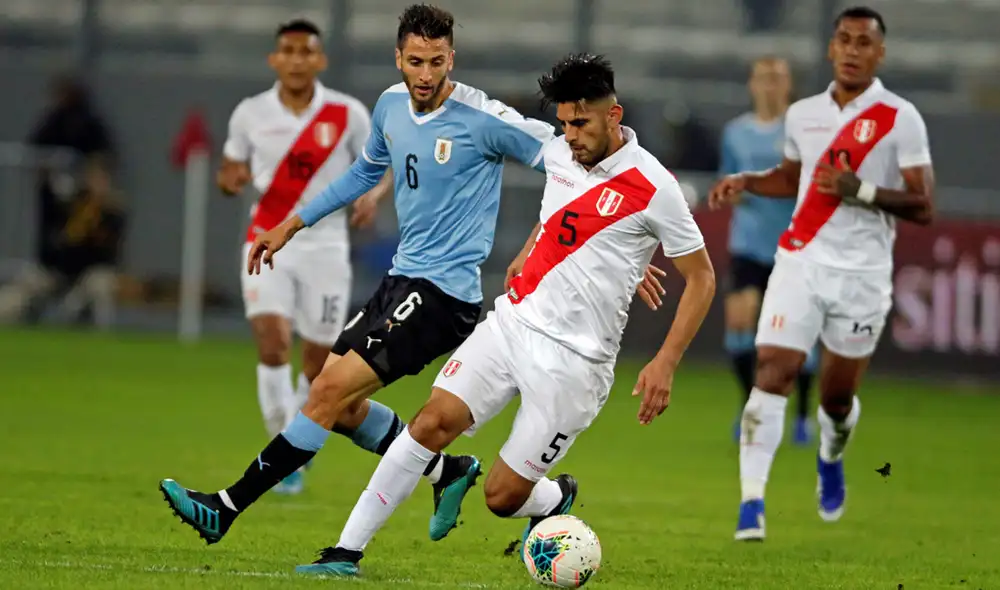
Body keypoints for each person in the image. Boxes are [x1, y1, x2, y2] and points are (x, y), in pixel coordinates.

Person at [159, 4, 665, 547]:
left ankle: (226, 508)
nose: (426, 75)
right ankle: (449, 474)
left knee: (324, 393)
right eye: (416, 61)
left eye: (437, 62)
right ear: (398, 58)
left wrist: (604, 248)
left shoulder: (484, 119)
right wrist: (294, 222)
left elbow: (574, 159)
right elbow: (366, 169)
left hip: (444, 297)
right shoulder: (390, 107)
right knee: (345, 408)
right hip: (400, 282)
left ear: (453, 58)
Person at [292, 53, 716, 577]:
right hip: (513, 324)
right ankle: (344, 553)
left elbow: (702, 278)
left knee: (501, 496)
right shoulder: (561, 154)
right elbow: (566, 216)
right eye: (563, 122)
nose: (570, 135)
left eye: (580, 123)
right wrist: (531, 248)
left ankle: (554, 497)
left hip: (576, 365)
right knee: (430, 422)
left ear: (613, 115)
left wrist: (666, 360)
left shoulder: (655, 186)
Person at [709, 6, 934, 541]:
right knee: (773, 369)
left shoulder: (900, 117)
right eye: (844, 40)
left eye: (864, 43)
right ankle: (751, 505)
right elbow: (794, 177)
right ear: (831, 48)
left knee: (836, 399)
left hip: (862, 275)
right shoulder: (804, 114)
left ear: (879, 53)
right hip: (801, 259)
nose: (853, 51)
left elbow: (924, 204)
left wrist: (864, 191)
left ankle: (831, 457)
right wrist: (747, 182)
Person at [215, 19, 392, 495]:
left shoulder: (347, 113)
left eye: (305, 52)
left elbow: (382, 163)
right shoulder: (250, 113)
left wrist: (373, 197)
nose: (296, 60)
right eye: (287, 51)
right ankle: (283, 457)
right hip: (267, 241)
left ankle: (292, 443)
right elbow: (231, 166)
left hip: (326, 249)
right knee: (272, 343)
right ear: (275, 59)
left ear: (320, 60)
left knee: (317, 366)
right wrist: (229, 178)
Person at [719, 56, 817, 445]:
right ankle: (750, 408)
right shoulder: (735, 132)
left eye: (778, 78)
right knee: (740, 321)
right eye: (763, 78)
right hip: (748, 243)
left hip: (793, 245)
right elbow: (727, 178)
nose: (770, 85)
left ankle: (802, 417)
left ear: (788, 85)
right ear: (752, 84)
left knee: (795, 333)